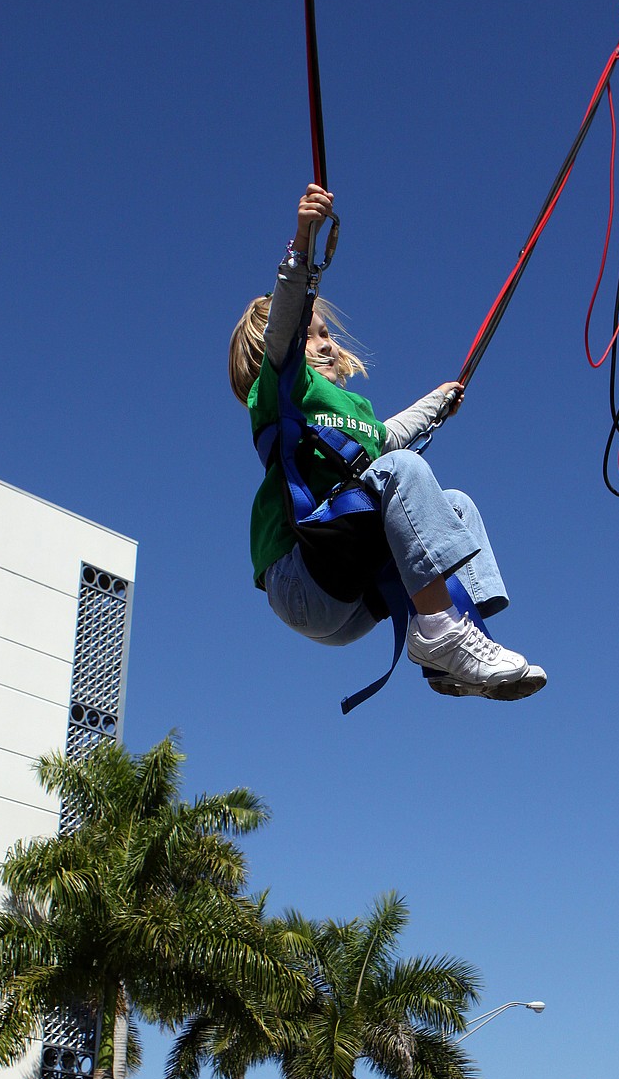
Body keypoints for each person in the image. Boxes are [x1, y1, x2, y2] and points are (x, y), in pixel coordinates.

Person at [229, 184, 547, 700]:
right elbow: (285, 324)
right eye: (313, 334)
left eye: (327, 332)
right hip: (302, 577)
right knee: (401, 470)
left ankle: (460, 642)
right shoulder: (279, 388)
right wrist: (302, 243)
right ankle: (444, 633)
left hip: (351, 605)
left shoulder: (354, 414)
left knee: (456, 505)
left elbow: (391, 435)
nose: (326, 341)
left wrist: (438, 403)